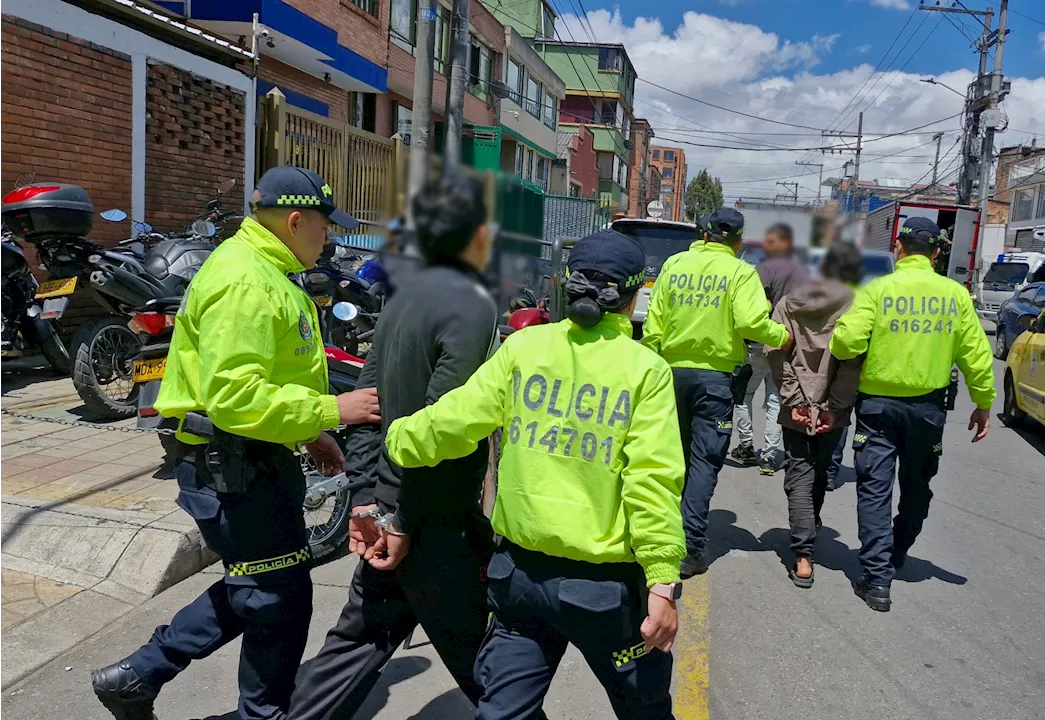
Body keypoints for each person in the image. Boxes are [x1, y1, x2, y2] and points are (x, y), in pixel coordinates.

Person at [90, 167, 381, 720]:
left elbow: (265, 380)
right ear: (296, 220)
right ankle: (259, 714)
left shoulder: (268, 270)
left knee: (258, 582)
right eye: (325, 226)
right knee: (277, 600)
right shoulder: (246, 280)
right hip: (231, 462)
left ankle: (137, 675)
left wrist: (309, 431)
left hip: (252, 456)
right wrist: (330, 410)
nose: (329, 238)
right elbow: (235, 396)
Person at [383, 230, 686, 720]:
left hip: (520, 582)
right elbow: (652, 482)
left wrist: (396, 437)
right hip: (605, 595)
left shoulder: (525, 348)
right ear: (632, 297)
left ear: (567, 285)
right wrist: (662, 583)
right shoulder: (644, 369)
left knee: (502, 712)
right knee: (644, 708)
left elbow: (452, 421)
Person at [286, 172, 516, 719]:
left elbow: (368, 408)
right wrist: (397, 518)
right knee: (495, 670)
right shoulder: (471, 305)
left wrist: (368, 498)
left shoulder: (403, 298)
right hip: (429, 517)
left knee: (358, 642)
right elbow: (440, 429)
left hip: (400, 507)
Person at [830, 217, 995, 612]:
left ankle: (877, 580)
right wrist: (984, 402)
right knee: (917, 487)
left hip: (877, 409)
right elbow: (975, 354)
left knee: (874, 490)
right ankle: (897, 551)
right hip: (927, 410)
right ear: (937, 254)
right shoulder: (955, 295)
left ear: (898, 249)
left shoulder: (878, 290)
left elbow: (845, 343)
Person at [641, 207, 790, 579]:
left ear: (703, 235)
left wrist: (649, 366)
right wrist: (783, 337)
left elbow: (653, 323)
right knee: (704, 462)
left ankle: (652, 538)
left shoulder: (674, 265)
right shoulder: (740, 272)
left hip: (669, 374)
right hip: (714, 382)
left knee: (665, 458)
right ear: (738, 242)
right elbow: (751, 322)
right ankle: (689, 550)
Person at [766, 241, 863, 588]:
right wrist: (833, 407)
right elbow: (852, 364)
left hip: (796, 407)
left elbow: (776, 354)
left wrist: (796, 400)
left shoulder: (788, 303)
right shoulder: (856, 305)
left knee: (799, 473)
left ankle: (803, 555)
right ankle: (810, 529)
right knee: (822, 470)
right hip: (834, 409)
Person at [730, 223, 811, 476]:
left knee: (744, 394)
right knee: (776, 399)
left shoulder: (761, 270)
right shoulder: (805, 274)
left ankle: (745, 446)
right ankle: (768, 456)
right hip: (787, 345)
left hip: (758, 344)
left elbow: (755, 308)